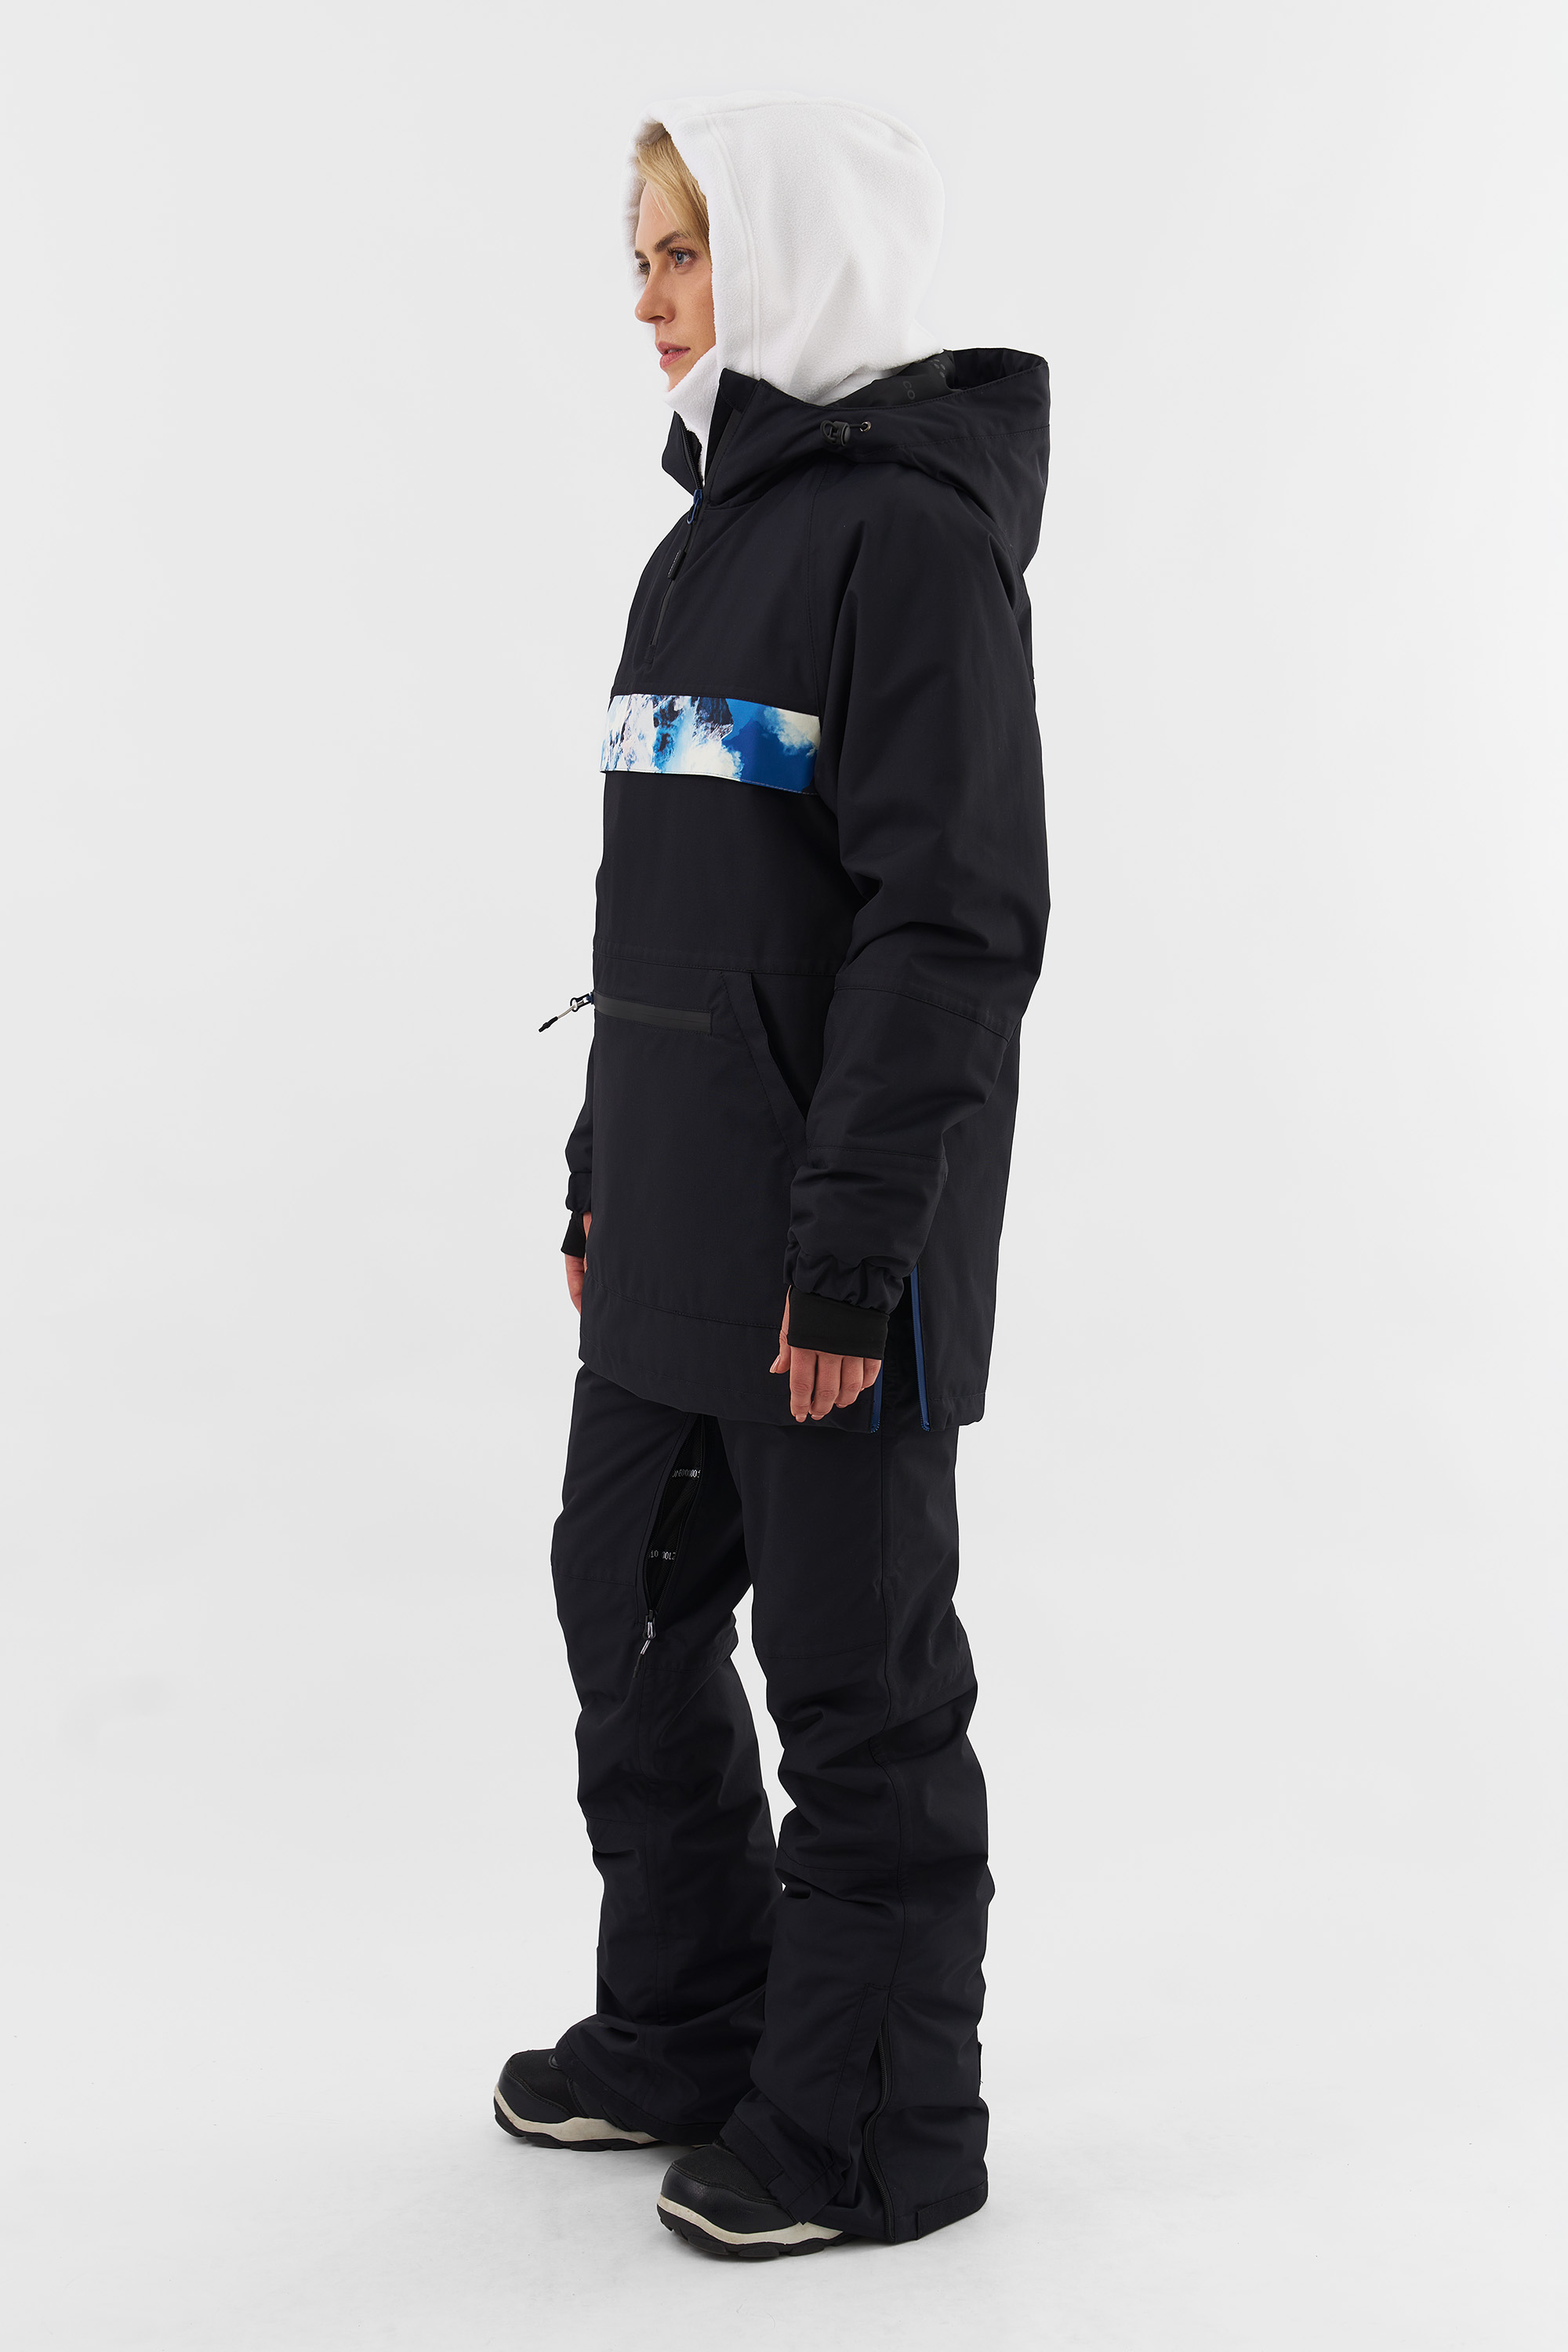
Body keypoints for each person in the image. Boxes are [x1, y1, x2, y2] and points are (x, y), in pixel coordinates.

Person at [494, 95, 1050, 2259]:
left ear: (797, 254)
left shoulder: (910, 541)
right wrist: (600, 1170)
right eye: (638, 256)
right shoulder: (700, 539)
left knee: (854, 1681)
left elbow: (950, 924)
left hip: (835, 1247)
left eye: (686, 251)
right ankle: (698, 2022)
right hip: (678, 1215)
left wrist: (852, 1258)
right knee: (623, 1607)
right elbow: (660, 911)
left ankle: (880, 2127)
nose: (648, 299)